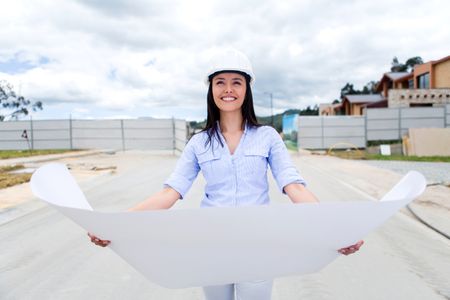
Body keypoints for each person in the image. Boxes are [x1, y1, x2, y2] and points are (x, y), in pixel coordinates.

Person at [88, 48, 364, 300]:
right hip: (212, 247)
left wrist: (336, 230)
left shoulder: (267, 137)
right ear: (211, 89)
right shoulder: (199, 143)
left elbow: (295, 187)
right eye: (220, 82)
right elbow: (170, 193)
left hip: (258, 246)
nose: (228, 89)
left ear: (247, 89)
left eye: (237, 82)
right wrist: (115, 224)